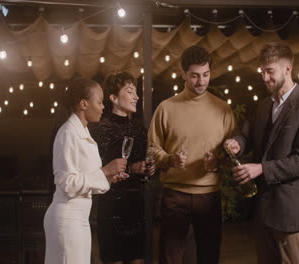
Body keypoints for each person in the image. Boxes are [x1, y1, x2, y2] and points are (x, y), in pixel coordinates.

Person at [224, 42, 299, 264]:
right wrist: (237, 144)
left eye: (270, 72)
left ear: (288, 69)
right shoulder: (262, 106)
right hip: (262, 210)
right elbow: (246, 137)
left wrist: (260, 168)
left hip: (288, 211)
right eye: (262, 72)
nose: (265, 78)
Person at [147, 45, 237, 264]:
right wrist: (169, 159)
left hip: (210, 196)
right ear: (183, 74)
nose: (201, 81)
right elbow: (151, 149)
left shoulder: (223, 109)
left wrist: (219, 161)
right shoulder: (166, 108)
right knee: (169, 258)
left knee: (209, 257)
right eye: (195, 76)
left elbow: (233, 154)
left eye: (206, 75)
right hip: (174, 195)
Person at [44, 78, 128, 264]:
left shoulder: (83, 133)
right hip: (67, 218)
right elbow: (66, 183)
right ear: (83, 104)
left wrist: (108, 177)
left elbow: (89, 179)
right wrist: (105, 171)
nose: (103, 107)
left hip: (80, 219)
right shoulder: (68, 133)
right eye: (99, 102)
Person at [90, 71, 155, 264]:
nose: (136, 97)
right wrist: (132, 169)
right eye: (130, 91)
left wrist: (149, 169)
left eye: (136, 92)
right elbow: (98, 169)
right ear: (114, 98)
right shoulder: (102, 129)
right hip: (111, 207)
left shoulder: (140, 129)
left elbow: (145, 163)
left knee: (138, 259)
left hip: (136, 206)